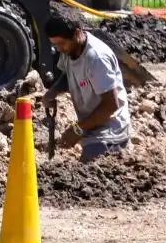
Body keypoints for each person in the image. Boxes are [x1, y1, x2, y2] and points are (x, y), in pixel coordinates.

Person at [40, 12, 132, 162]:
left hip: (110, 131)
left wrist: (77, 129)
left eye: (61, 43)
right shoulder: (70, 50)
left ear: (77, 33)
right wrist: (53, 92)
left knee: (88, 173)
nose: (59, 49)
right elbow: (68, 75)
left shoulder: (96, 58)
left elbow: (111, 104)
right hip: (92, 128)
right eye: (55, 44)